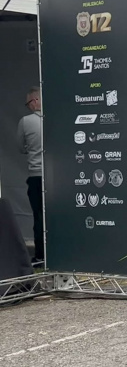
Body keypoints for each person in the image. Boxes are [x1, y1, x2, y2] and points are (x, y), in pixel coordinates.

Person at [17, 87, 43, 266]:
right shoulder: (55, 119)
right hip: (57, 178)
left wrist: (32, 150)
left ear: (34, 101)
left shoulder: (25, 122)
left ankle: (40, 256)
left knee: (39, 217)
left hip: (36, 175)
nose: (28, 107)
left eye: (28, 103)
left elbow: (21, 147)